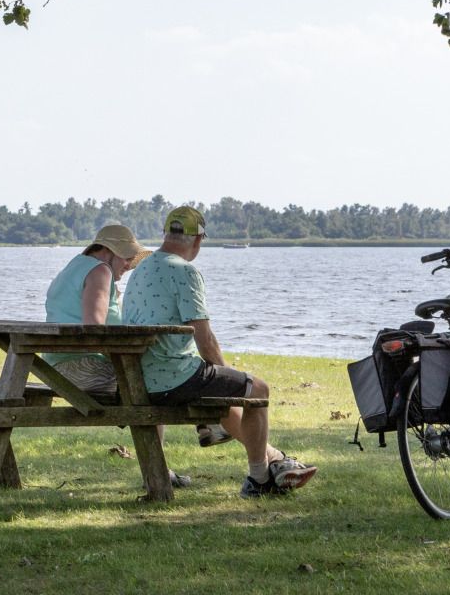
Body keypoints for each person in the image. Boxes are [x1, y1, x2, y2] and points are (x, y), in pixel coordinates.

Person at [122, 205, 317, 498]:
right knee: (257, 390)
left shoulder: (142, 268)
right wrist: (228, 376)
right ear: (198, 241)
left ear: (165, 234)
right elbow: (206, 340)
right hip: (172, 379)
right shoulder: (185, 272)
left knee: (225, 392)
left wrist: (223, 379)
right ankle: (259, 479)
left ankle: (275, 459)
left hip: (139, 377)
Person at [43, 224, 193, 489]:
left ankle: (163, 467)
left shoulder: (73, 267)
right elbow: (94, 331)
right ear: (108, 251)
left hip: (57, 368)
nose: (128, 265)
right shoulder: (99, 271)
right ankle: (159, 472)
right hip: (81, 368)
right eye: (126, 257)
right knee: (155, 383)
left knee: (150, 379)